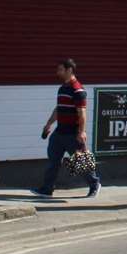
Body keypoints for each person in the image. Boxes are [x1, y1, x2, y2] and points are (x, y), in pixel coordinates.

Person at [34, 58, 100, 198]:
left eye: (60, 70)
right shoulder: (62, 88)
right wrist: (48, 124)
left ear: (69, 70)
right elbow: (59, 108)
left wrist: (81, 132)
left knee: (80, 162)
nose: (58, 73)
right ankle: (47, 189)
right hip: (59, 133)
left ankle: (95, 184)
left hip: (72, 134)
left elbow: (82, 113)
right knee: (53, 161)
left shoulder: (78, 90)